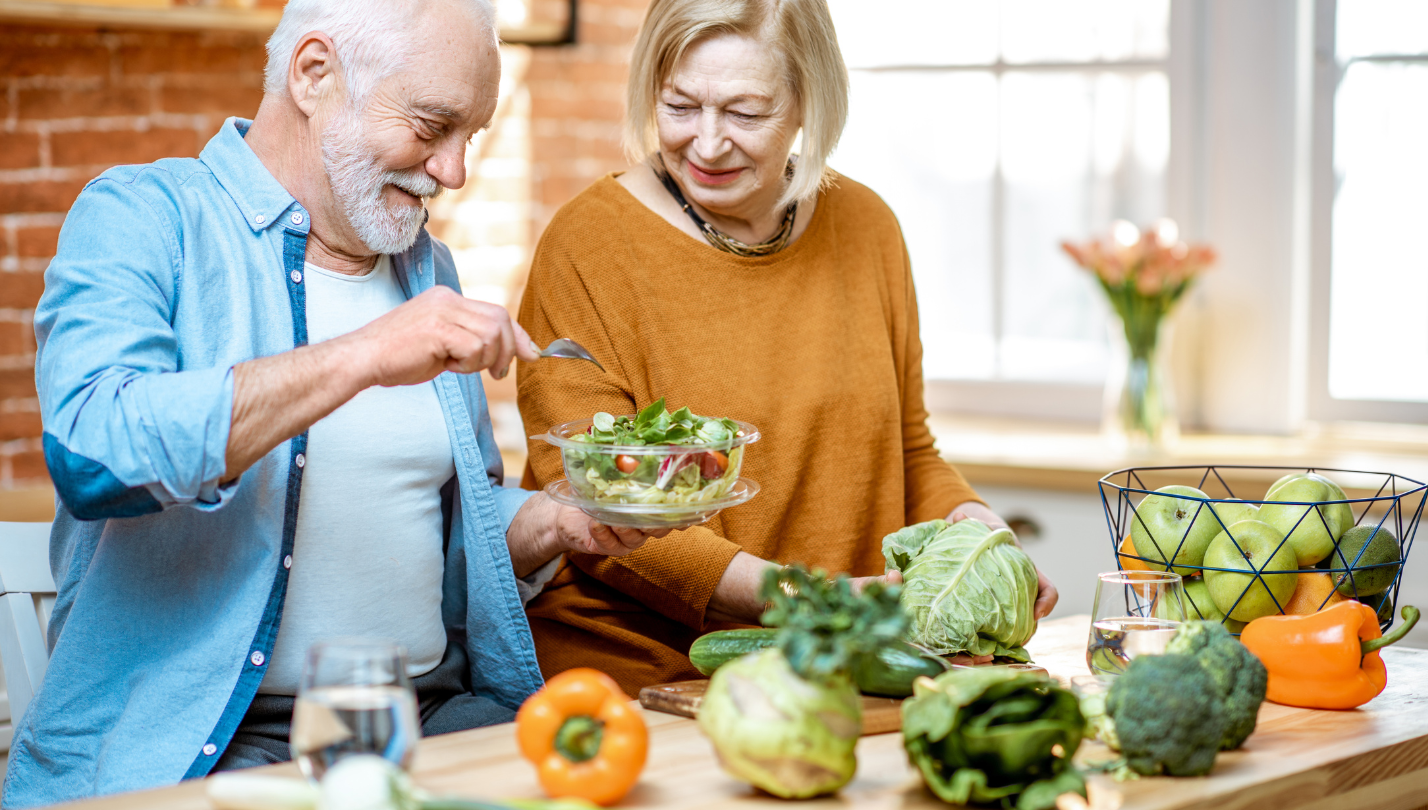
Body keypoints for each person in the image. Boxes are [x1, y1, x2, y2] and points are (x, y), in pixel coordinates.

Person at [5, 1, 654, 805]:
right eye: (430, 125)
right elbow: (93, 451)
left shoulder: (427, 267)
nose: (453, 172)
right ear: (314, 74)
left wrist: (557, 523)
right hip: (209, 746)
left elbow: (442, 532)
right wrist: (366, 355)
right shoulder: (145, 217)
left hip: (433, 719)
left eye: (472, 138)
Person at [515, 0, 1058, 696]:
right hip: (652, 681)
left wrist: (978, 536)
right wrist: (810, 600)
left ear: (809, 102)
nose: (707, 145)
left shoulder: (867, 228)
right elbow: (597, 507)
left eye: (744, 113)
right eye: (680, 105)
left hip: (843, 666)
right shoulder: (587, 245)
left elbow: (908, 451)